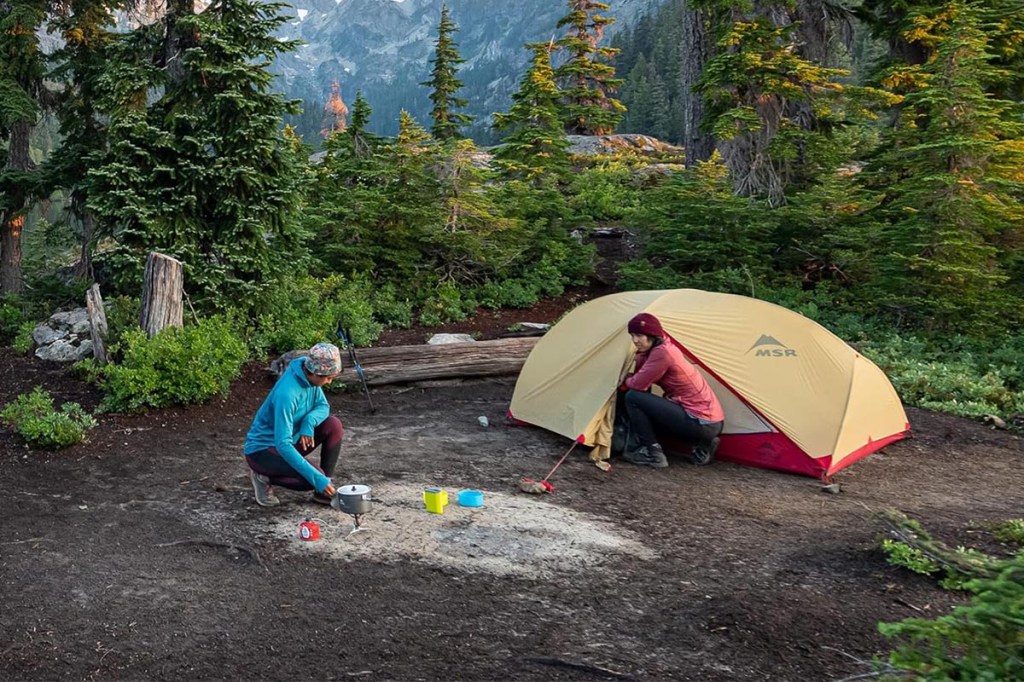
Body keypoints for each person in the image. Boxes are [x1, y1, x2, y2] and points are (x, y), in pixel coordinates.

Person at [243, 342, 345, 506]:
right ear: (316, 373)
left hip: (290, 440)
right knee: (312, 479)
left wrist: (308, 423)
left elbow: (323, 406)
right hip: (263, 451)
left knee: (334, 425)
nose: (329, 382)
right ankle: (262, 477)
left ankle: (323, 492)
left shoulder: (308, 376)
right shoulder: (287, 394)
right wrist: (318, 479)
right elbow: (283, 444)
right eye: (328, 378)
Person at [619, 312, 725, 469]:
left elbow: (637, 385)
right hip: (711, 422)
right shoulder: (658, 350)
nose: (635, 340)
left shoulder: (663, 352)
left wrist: (624, 378)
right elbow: (644, 383)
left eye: (639, 335)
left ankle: (653, 453)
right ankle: (702, 445)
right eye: (632, 335)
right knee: (644, 402)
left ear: (652, 335)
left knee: (633, 398)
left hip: (700, 421)